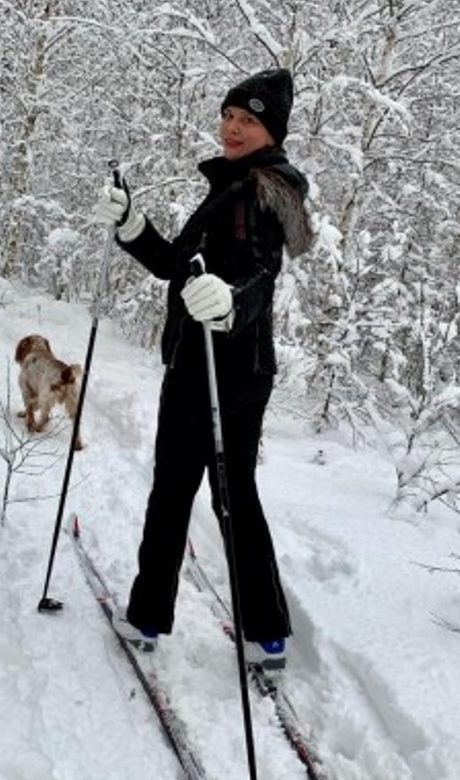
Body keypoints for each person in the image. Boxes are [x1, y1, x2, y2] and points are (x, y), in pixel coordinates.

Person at [92, 68, 313, 670]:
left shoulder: (255, 191)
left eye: (249, 120)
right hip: (242, 368)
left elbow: (261, 274)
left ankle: (145, 619)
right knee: (234, 493)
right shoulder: (240, 184)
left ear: (271, 131)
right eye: (230, 115)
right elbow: (178, 267)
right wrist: (133, 226)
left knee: (174, 491)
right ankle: (266, 632)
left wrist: (233, 302)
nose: (233, 128)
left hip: (211, 369)